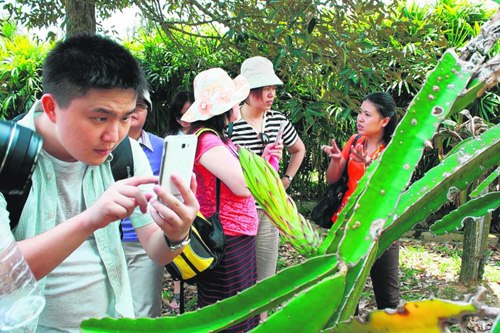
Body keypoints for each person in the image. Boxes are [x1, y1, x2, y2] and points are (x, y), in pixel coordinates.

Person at [0, 34, 199, 332]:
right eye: (99, 118)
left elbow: (156, 249)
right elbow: (5, 275)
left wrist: (177, 234)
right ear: (52, 108)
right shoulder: (7, 157)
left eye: (125, 118)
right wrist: (92, 219)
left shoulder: (125, 153)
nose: (113, 135)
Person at [181, 67, 260, 332]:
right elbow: (242, 185)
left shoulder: (216, 139)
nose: (240, 103)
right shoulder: (207, 142)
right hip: (227, 238)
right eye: (235, 100)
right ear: (224, 106)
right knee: (230, 312)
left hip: (234, 236)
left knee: (238, 307)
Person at [228, 56, 306, 318]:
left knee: (266, 278)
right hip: (239, 211)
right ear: (248, 92)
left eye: (273, 88)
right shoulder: (231, 124)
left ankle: (261, 323)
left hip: (270, 211)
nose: (272, 94)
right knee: (239, 279)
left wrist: (286, 180)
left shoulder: (278, 121)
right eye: (265, 88)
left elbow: (299, 150)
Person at [322, 92, 400, 311]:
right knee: (345, 295)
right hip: (347, 226)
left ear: (384, 121)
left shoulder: (394, 151)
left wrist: (368, 167)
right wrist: (337, 160)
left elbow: (390, 190)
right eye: (360, 113)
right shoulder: (355, 141)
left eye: (367, 114)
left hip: (381, 229)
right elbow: (333, 179)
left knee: (388, 298)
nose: (360, 119)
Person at [121, 89, 164, 318]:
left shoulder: (161, 146)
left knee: (145, 311)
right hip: (108, 239)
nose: (134, 110)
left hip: (145, 241)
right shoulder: (100, 147)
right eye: (130, 104)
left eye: (141, 105)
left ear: (148, 111)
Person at [164, 90, 195, 311]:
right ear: (177, 117)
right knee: (176, 250)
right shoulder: (171, 141)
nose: (189, 118)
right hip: (175, 200)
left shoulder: (202, 136)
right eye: (185, 114)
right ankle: (177, 294)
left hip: (194, 201)